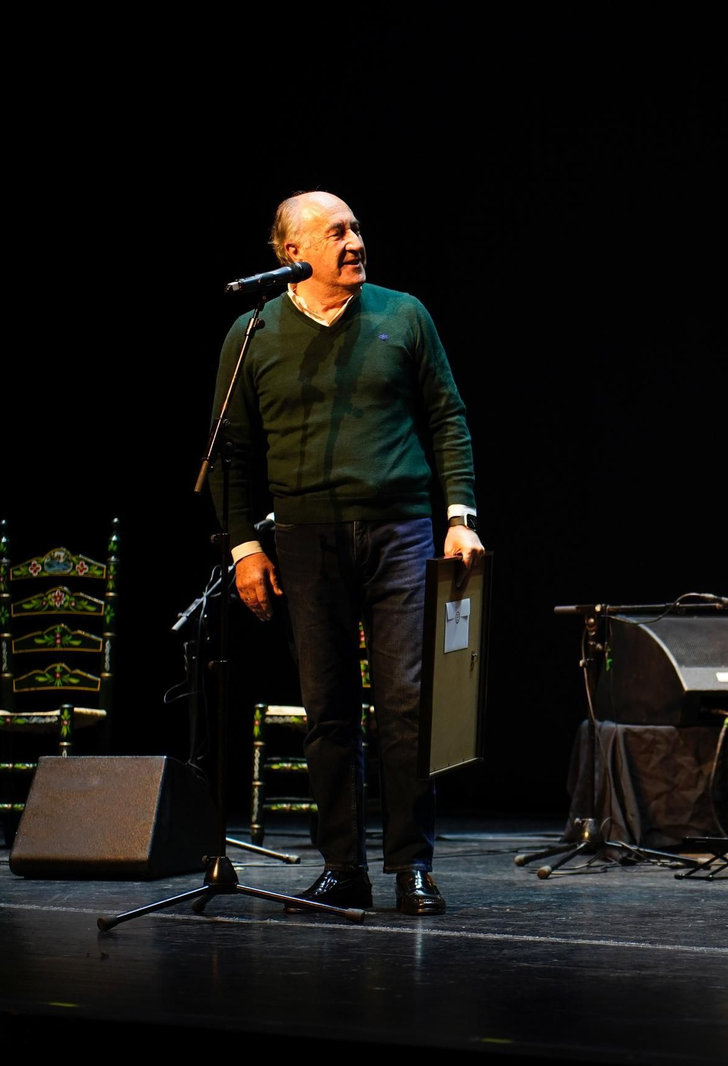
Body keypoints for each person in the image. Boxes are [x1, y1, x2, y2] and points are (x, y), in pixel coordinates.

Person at [210, 191, 482, 916]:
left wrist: (460, 515)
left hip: (399, 531)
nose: (355, 240)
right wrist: (244, 548)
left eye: (357, 226)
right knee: (327, 707)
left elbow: (446, 416)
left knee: (406, 703)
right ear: (293, 253)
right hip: (304, 538)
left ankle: (411, 866)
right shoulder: (252, 333)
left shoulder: (403, 315)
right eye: (336, 232)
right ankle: (342, 865)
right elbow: (230, 455)